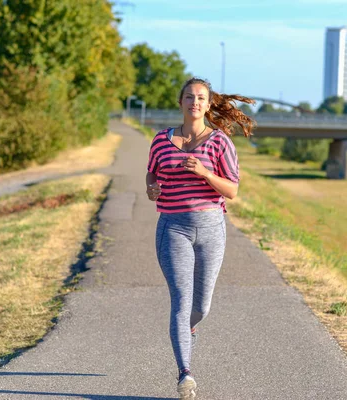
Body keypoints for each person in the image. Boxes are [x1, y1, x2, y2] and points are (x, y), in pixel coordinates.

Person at [145, 77, 255, 399]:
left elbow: (232, 190)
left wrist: (205, 173)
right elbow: (152, 171)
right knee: (181, 301)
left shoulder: (220, 143)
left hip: (210, 229)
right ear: (180, 103)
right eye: (190, 97)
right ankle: (185, 375)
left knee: (201, 306)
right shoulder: (160, 141)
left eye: (201, 98)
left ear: (208, 105)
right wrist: (151, 187)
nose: (195, 102)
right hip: (173, 228)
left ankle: (190, 329)